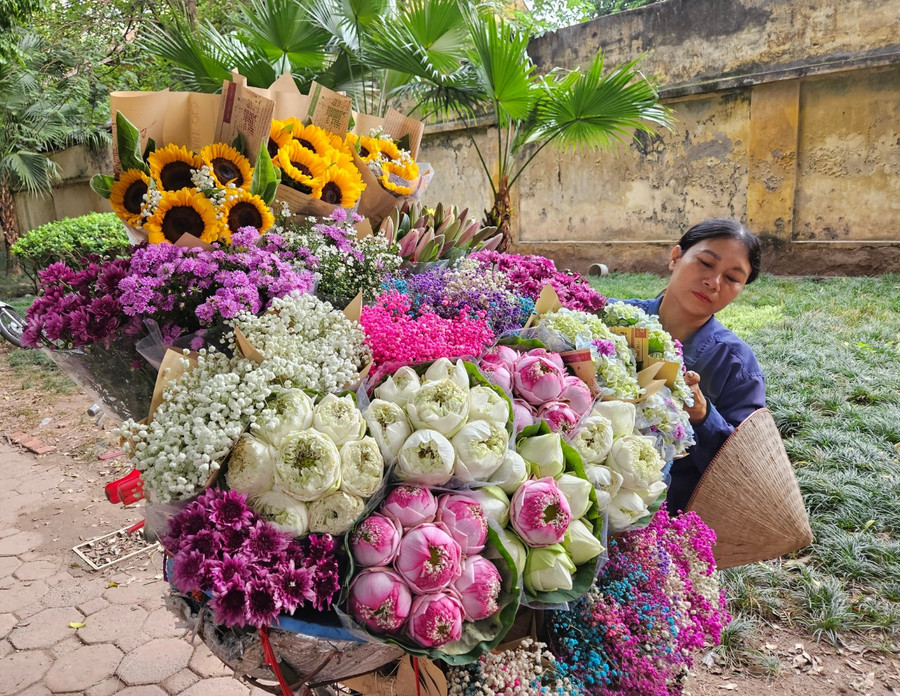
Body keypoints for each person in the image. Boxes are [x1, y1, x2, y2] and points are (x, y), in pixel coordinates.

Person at [620, 218, 766, 513]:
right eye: (705, 263)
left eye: (732, 278)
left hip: (667, 514)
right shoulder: (612, 318)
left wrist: (702, 414)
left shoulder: (737, 366)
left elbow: (746, 469)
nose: (714, 282)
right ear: (675, 257)